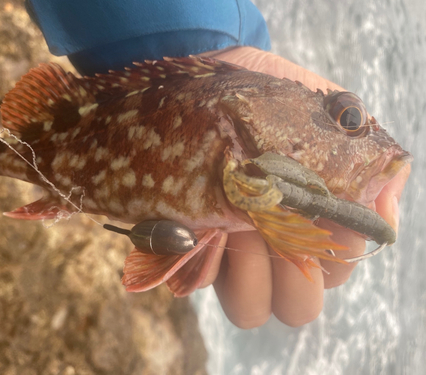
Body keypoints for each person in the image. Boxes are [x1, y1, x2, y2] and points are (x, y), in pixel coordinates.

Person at [25, 0, 411, 328]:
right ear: (255, 111)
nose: (358, 133)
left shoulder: (251, 116)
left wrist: (207, 38)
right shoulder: (243, 129)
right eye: (347, 119)